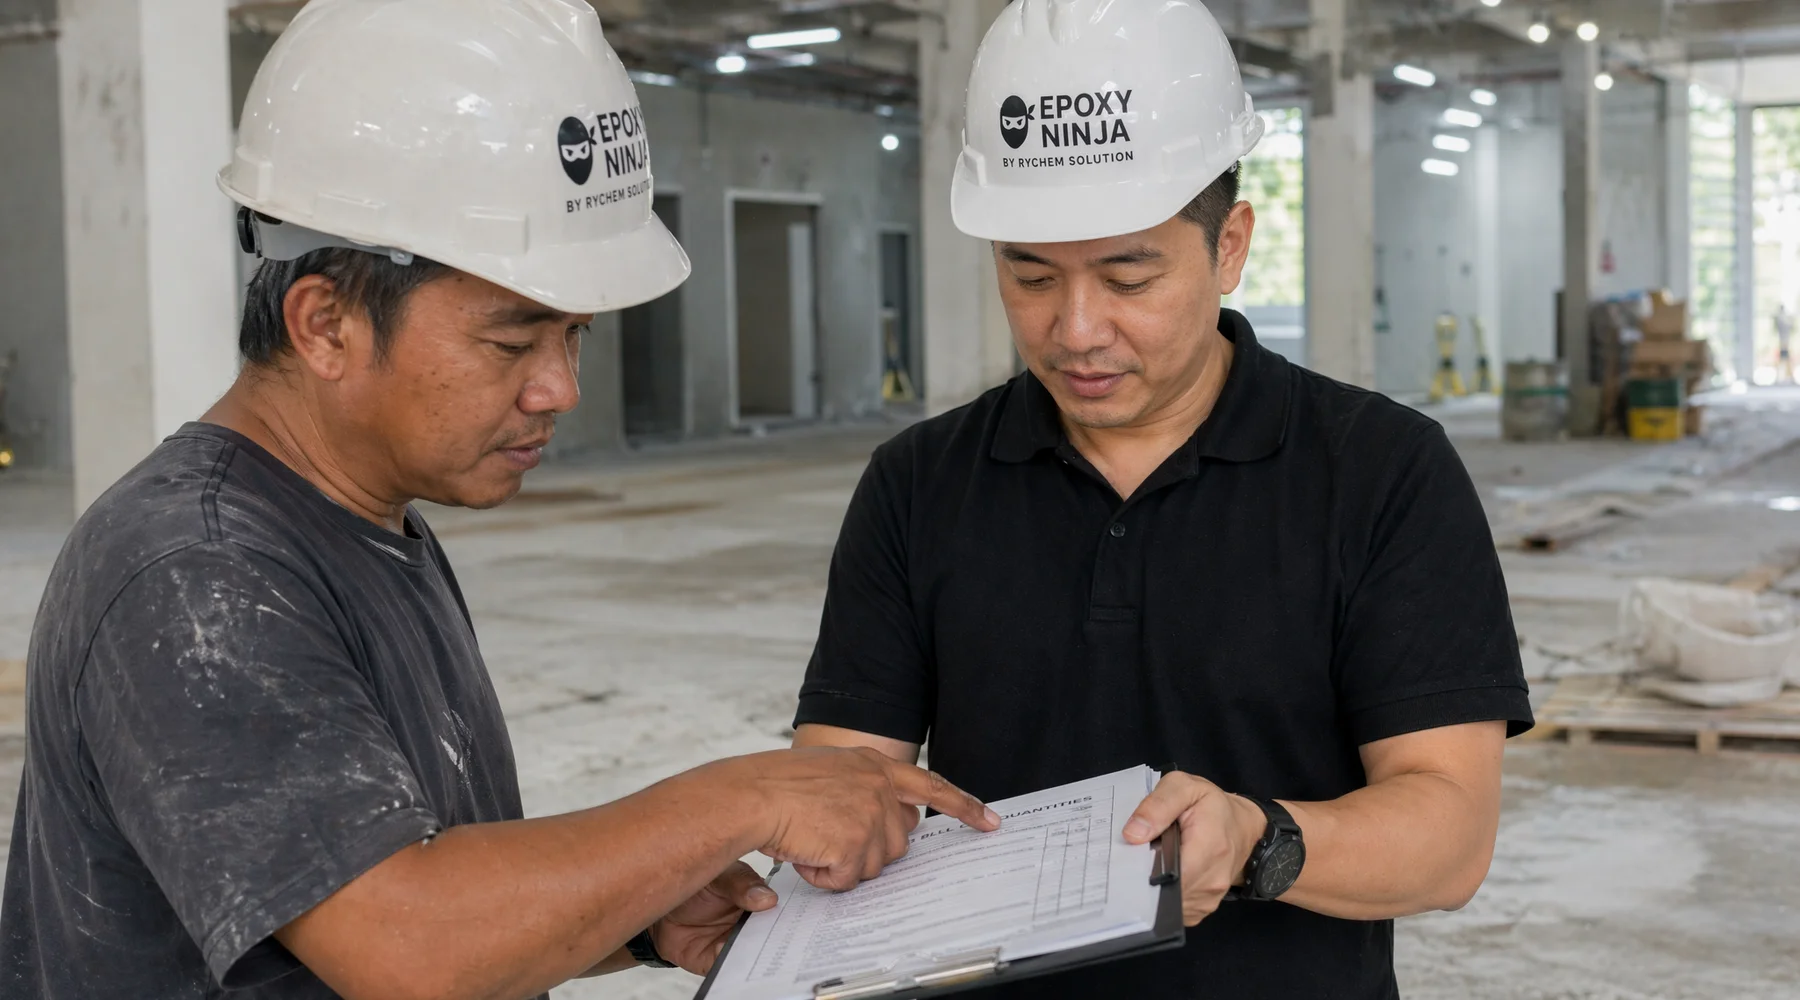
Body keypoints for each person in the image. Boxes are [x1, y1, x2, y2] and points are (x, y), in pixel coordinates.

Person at [0, 3, 998, 999]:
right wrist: (741, 796)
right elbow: (408, 943)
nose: (558, 387)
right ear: (326, 322)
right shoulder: (193, 572)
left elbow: (419, 878)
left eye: (575, 336)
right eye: (510, 341)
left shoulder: (368, 525)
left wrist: (637, 915)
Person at [792, 2, 1533, 998]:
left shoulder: (1381, 471)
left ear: (1229, 245)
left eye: (1128, 274)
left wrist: (1259, 837)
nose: (1077, 328)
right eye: (1031, 274)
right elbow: (840, 791)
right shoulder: (918, 483)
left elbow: (1450, 835)